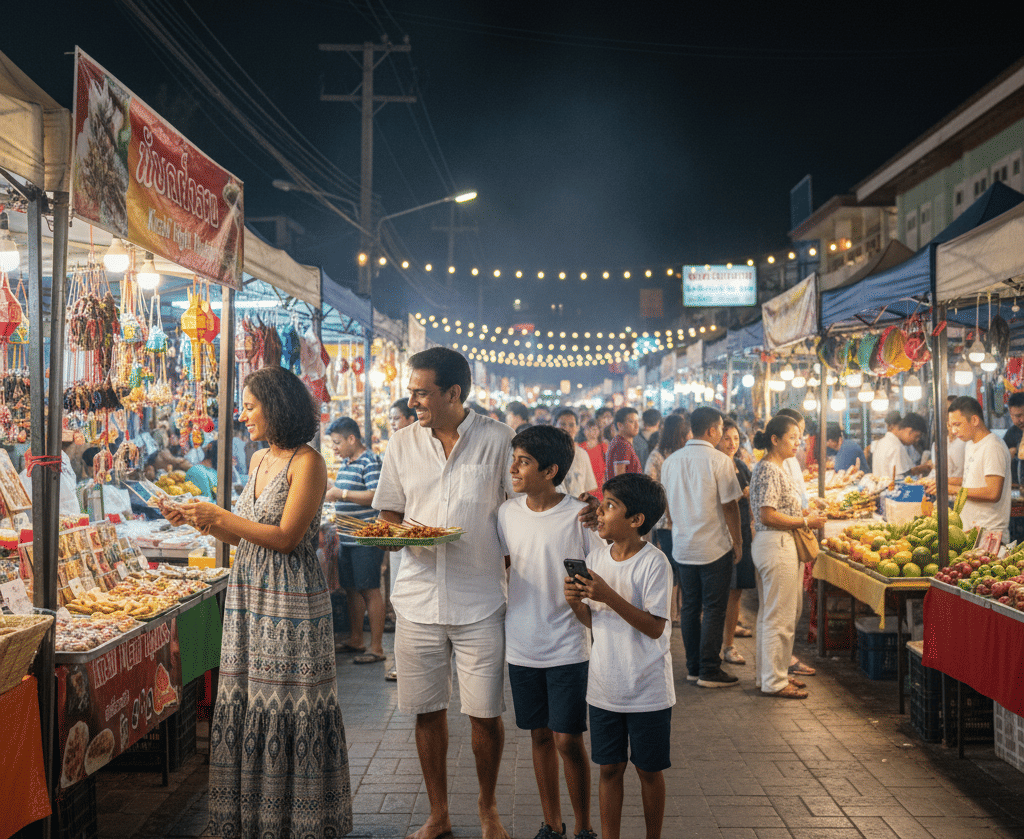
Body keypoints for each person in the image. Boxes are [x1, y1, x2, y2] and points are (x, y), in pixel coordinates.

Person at [162, 366, 351, 838]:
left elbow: (286, 537)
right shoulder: (260, 459)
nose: (243, 416)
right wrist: (198, 521)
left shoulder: (308, 463)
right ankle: (253, 818)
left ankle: (298, 822)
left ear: (277, 407)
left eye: (249, 406)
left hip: (291, 601)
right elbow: (242, 534)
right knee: (249, 699)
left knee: (289, 701)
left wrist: (220, 514)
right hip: (250, 593)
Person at [371, 347, 516, 839]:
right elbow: (389, 512)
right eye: (412, 392)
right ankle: (439, 813)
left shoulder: (498, 439)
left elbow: (516, 513)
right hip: (415, 598)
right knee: (426, 710)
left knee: (485, 713)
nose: (413, 400)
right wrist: (390, 534)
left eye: (422, 391)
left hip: (481, 598)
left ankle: (488, 806)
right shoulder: (401, 444)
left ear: (454, 393)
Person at [498, 426, 596, 839]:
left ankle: (584, 828)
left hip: (568, 644)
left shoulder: (580, 516)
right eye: (514, 459)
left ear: (551, 470)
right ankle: (551, 824)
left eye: (524, 462)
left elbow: (601, 574)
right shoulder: (506, 513)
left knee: (568, 740)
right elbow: (504, 564)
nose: (514, 468)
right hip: (521, 643)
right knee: (538, 736)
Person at [564, 473, 673, 839]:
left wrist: (608, 594)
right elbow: (593, 621)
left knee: (648, 771)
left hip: (647, 688)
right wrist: (577, 603)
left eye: (610, 506)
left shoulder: (654, 564)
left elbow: (656, 627)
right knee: (609, 769)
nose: (600, 512)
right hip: (605, 687)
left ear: (636, 520)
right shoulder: (596, 556)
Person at [660, 406, 743, 688]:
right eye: (720, 428)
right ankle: (709, 669)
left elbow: (668, 506)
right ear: (711, 430)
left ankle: (693, 667)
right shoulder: (719, 461)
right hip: (713, 547)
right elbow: (730, 506)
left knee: (690, 608)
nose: (722, 434)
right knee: (714, 608)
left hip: (683, 546)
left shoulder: (671, 462)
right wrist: (738, 541)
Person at [750, 414, 827, 699]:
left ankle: (769, 676)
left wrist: (804, 513)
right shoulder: (769, 469)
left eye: (799, 437)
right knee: (779, 616)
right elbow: (767, 514)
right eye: (792, 437)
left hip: (777, 544)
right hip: (776, 544)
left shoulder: (776, 468)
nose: (798, 442)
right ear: (775, 439)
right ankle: (774, 681)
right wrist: (806, 522)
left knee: (774, 614)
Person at [325, 416, 386, 664]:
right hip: (347, 538)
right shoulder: (348, 462)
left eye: (337, 442)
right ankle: (356, 639)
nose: (334, 448)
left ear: (352, 439)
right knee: (351, 589)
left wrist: (342, 493)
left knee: (370, 590)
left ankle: (377, 648)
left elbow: (375, 496)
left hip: (366, 537)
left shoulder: (369, 461)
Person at [927, 396, 1011, 540]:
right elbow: (972, 481)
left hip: (988, 534)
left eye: (957, 424)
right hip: (970, 529)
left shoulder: (993, 446)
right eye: (951, 425)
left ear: (974, 420)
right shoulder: (971, 444)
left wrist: (951, 489)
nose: (953, 430)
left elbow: (992, 493)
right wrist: (945, 482)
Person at [717, 418, 757, 666]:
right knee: (719, 594)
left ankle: (728, 645)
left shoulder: (741, 466)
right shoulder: (715, 467)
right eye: (727, 438)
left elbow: (753, 495)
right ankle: (714, 645)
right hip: (721, 536)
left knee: (736, 592)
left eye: (736, 439)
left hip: (742, 534)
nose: (732, 443)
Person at [643, 413, 689, 625]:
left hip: (684, 520)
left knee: (680, 566)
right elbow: (650, 486)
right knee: (671, 565)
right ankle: (672, 611)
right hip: (666, 521)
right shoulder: (658, 456)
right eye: (685, 431)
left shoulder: (685, 454)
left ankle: (679, 609)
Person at [555, 408, 598, 499]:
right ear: (554, 426)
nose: (567, 428)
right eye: (562, 424)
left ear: (577, 428)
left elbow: (588, 488)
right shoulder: (544, 454)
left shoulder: (582, 454)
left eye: (571, 425)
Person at [871, 412, 929, 481]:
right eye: (917, 436)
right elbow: (901, 478)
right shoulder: (896, 446)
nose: (916, 440)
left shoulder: (881, 442)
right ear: (909, 431)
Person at [605, 406, 641, 478]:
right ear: (620, 425)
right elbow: (620, 479)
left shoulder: (621, 442)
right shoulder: (621, 445)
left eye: (638, 421)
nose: (637, 425)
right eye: (631, 422)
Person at [581, 419, 608, 500]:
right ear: (584, 431)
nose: (591, 432)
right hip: (584, 489)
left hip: (601, 489)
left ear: (599, 431)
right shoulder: (580, 448)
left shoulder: (604, 447)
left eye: (594, 429)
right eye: (588, 429)